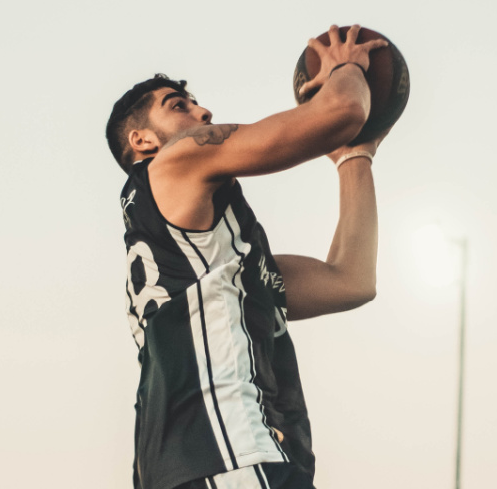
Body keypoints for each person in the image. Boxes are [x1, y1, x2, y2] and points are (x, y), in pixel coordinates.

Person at [105, 25, 389, 489]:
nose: (202, 109)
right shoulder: (175, 159)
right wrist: (344, 65)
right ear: (142, 141)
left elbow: (350, 280)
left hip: (202, 466)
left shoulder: (209, 266)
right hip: (228, 454)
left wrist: (354, 157)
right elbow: (343, 109)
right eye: (178, 105)